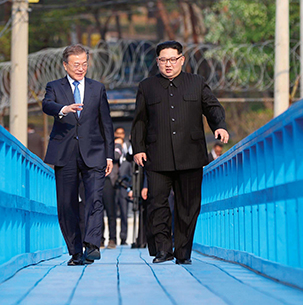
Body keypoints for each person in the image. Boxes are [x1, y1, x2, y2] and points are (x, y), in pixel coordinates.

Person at [131, 40, 229, 265]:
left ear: (181, 60)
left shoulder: (197, 83)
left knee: (188, 207)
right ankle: (163, 250)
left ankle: (183, 252)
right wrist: (138, 148)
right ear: (157, 62)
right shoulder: (147, 87)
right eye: (163, 60)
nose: (168, 65)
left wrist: (220, 126)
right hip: (157, 155)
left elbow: (212, 107)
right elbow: (139, 122)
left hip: (190, 155)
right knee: (157, 203)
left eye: (172, 60)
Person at [42, 44, 114, 266]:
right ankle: (75, 252)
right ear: (65, 65)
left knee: (94, 199)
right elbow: (47, 105)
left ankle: (92, 245)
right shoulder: (54, 87)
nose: (81, 68)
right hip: (65, 153)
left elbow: (106, 123)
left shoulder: (97, 88)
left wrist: (109, 155)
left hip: (94, 153)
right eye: (76, 65)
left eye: (84, 64)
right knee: (67, 204)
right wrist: (64, 109)